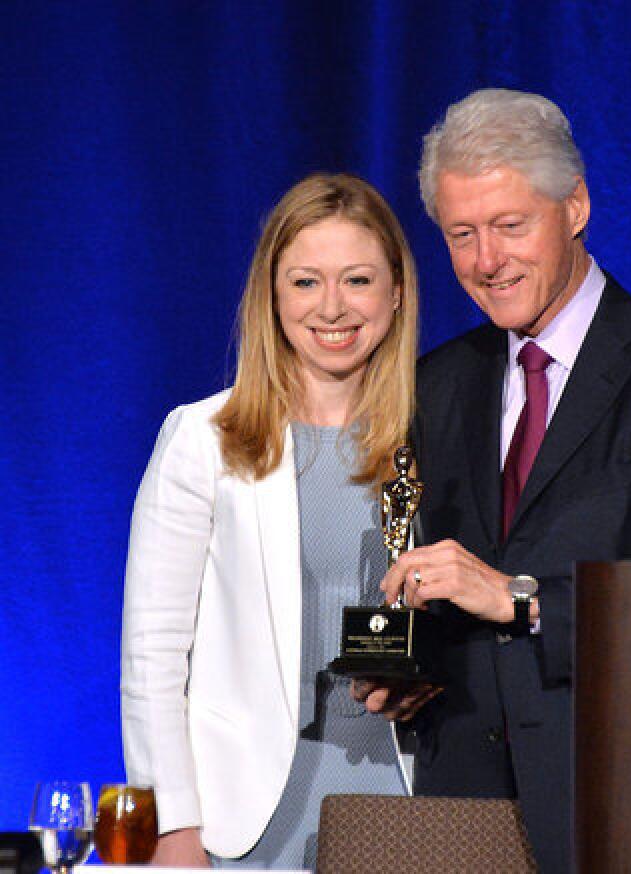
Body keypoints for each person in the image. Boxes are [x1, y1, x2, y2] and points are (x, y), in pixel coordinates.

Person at [356, 88, 631, 873]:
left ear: (575, 207)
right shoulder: (436, 384)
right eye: (462, 234)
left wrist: (523, 599)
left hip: (626, 798)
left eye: (511, 226)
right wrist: (405, 664)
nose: (487, 261)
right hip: (462, 809)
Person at [120, 173, 422, 868]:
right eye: (306, 282)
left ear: (396, 291)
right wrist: (171, 829)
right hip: (247, 823)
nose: (334, 307)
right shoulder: (204, 437)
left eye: (358, 280)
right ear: (272, 295)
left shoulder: (435, 440)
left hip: (407, 809)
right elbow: (152, 658)